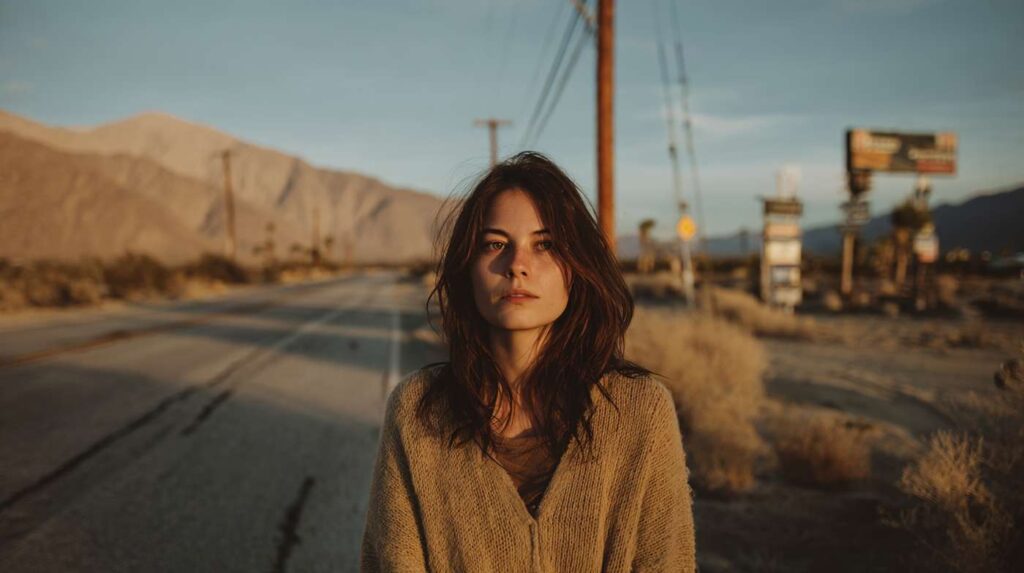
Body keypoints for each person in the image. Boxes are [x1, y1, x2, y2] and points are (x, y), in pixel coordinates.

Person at [360, 152, 695, 572]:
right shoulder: (417, 411)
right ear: (468, 267)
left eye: (545, 245)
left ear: (577, 267)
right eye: (495, 244)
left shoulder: (640, 411)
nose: (517, 266)